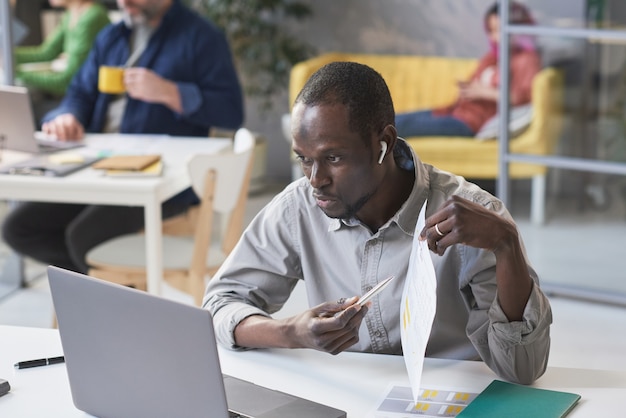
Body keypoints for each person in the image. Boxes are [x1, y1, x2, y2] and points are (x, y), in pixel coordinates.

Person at [203, 61, 552, 385]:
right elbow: (220, 306)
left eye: (333, 158)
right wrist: (292, 332)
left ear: (383, 144)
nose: (315, 179)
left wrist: (507, 246)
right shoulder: (299, 207)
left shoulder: (473, 216)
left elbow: (523, 369)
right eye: (304, 159)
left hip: (448, 401)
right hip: (348, 399)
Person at [1, 0, 244, 274]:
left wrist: (170, 93)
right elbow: (80, 92)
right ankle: (107, 288)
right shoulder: (113, 36)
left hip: (164, 182)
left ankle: (100, 296)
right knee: (19, 229)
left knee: (83, 237)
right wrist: (68, 115)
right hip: (98, 169)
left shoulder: (201, 37)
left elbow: (231, 113)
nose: (124, 2)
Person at [394, 1, 540, 138]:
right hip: (453, 112)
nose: (495, 37)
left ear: (517, 28)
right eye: (491, 31)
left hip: (471, 123)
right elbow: (474, 84)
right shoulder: (492, 57)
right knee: (390, 119)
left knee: (400, 125)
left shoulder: (526, 59)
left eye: (499, 30)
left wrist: (486, 92)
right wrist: (468, 89)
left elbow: (524, 99)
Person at [14, 0, 110, 98]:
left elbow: (68, 81)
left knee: (21, 89)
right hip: (74, 89)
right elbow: (47, 53)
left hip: (87, 95)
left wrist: (17, 73)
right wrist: (7, 55)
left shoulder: (93, 17)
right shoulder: (70, 15)